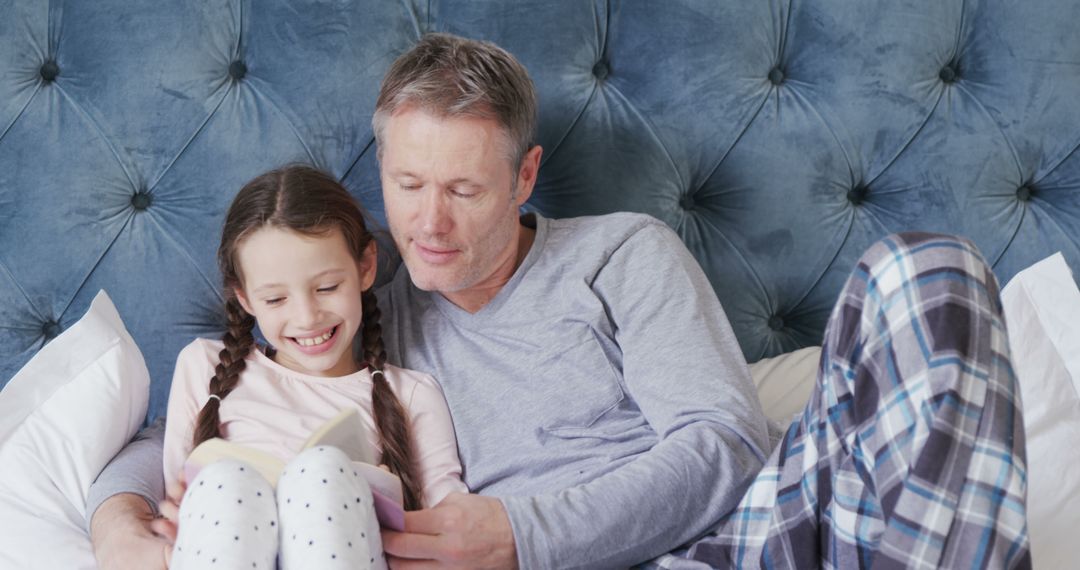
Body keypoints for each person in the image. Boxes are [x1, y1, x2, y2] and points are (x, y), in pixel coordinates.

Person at [88, 33, 1031, 569]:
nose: (431, 226)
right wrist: (118, 524)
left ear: (525, 174)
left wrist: (521, 534)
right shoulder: (365, 306)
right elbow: (207, 414)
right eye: (409, 184)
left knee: (928, 273)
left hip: (743, 537)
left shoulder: (621, 254)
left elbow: (728, 443)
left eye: (463, 190)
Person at [156, 165, 466, 569]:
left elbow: (452, 527)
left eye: (326, 288)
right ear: (245, 298)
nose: (307, 318)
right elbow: (176, 501)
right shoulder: (204, 366)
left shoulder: (411, 394)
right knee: (225, 482)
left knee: (321, 472)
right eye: (275, 300)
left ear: (365, 267)